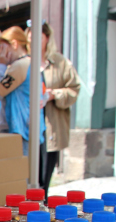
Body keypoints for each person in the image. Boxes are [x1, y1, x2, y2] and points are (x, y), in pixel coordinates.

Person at [30, 22, 81, 192]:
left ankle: (42, 209)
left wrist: (54, 95)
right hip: (29, 127)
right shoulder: (24, 61)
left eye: (38, 36)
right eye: (30, 37)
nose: (33, 40)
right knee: (30, 178)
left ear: (47, 38)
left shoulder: (59, 62)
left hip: (50, 127)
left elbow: (74, 89)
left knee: (44, 179)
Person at [0, 27, 46, 158]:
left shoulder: (20, 66)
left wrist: (2, 65)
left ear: (14, 44)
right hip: (27, 130)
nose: (0, 53)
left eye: (3, 48)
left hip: (20, 132)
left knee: (18, 176)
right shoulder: (30, 64)